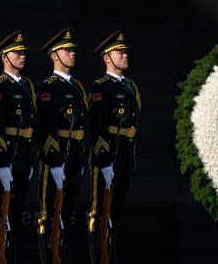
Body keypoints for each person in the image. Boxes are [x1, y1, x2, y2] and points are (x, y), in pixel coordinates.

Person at [35, 29, 89, 264]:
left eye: (73, 49)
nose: (72, 53)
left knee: (67, 214)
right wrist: (54, 162)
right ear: (55, 55)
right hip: (57, 157)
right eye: (67, 50)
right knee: (50, 215)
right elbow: (45, 129)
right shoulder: (48, 87)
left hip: (75, 155)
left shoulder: (77, 86)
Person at [87, 31, 141, 264]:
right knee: (100, 212)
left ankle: (111, 256)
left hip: (127, 151)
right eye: (120, 52)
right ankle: (98, 257)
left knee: (116, 212)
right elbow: (97, 128)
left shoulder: (130, 86)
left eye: (126, 51)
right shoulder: (101, 87)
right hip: (109, 152)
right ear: (107, 57)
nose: (125, 55)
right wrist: (103, 161)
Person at [0, 31, 37, 264]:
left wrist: (31, 159)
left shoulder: (27, 85)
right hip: (6, 155)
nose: (22, 56)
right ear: (5, 57)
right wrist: (0, 163)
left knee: (16, 213)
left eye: (23, 52)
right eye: (17, 53)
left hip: (23, 154)